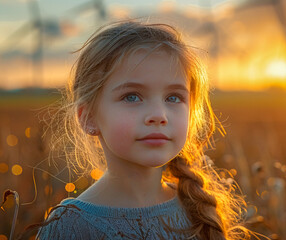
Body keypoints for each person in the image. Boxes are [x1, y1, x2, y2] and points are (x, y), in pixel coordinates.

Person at [36, 21, 250, 240]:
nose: (159, 115)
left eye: (173, 97)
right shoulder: (69, 227)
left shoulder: (198, 210)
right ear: (88, 117)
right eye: (132, 96)